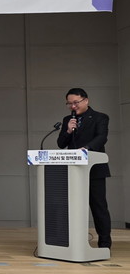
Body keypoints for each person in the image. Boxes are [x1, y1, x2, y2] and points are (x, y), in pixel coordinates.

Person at [57, 88, 111, 248]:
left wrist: (86, 149)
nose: (73, 106)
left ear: (86, 100)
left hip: (94, 170)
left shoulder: (100, 117)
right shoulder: (68, 119)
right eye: (69, 104)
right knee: (70, 207)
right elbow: (61, 144)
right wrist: (68, 130)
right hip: (72, 171)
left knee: (98, 207)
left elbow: (101, 138)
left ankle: (105, 244)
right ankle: (71, 241)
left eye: (76, 102)